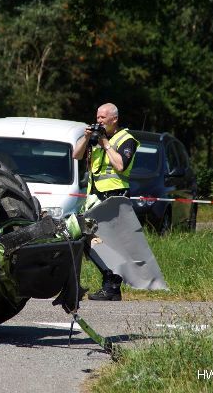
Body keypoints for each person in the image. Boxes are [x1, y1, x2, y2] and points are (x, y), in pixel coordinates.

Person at [73, 103, 139, 301]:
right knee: (86, 237)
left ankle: (111, 285)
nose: (99, 121)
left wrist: (106, 144)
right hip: (95, 197)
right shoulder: (94, 138)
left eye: (103, 118)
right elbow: (76, 155)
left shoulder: (127, 140)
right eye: (97, 117)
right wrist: (86, 138)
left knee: (111, 242)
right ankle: (110, 283)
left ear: (114, 119)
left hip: (115, 197)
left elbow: (120, 165)